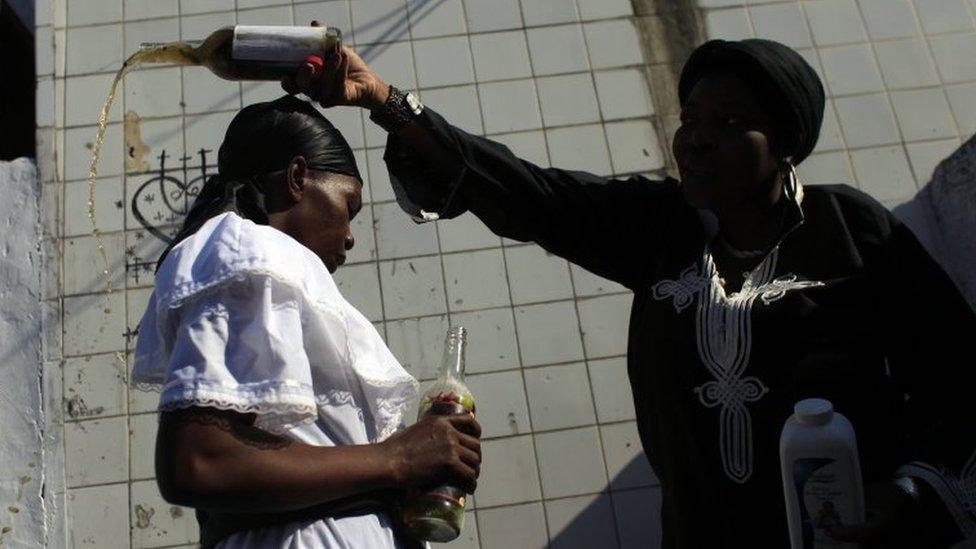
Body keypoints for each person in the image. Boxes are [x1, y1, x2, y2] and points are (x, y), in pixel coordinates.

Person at [283, 29, 976, 548]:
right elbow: (533, 195)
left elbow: (959, 376)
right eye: (691, 119)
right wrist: (385, 101)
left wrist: (913, 493)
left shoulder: (852, 232)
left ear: (788, 139)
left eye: (731, 122)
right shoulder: (660, 229)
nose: (697, 140)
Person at [131, 95, 482, 548]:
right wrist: (396, 459)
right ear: (297, 178)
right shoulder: (247, 247)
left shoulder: (274, 273)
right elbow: (198, 461)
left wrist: (420, 464)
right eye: (348, 206)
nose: (351, 236)